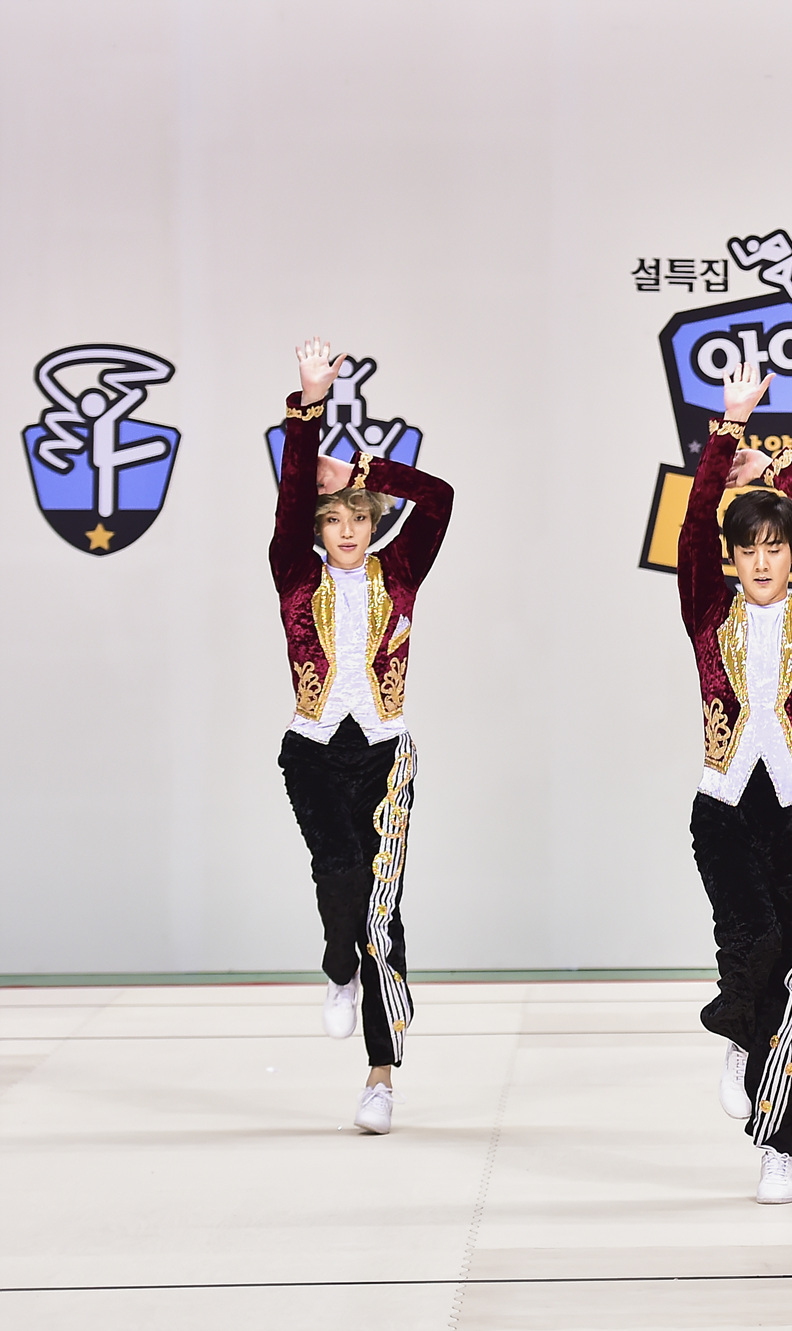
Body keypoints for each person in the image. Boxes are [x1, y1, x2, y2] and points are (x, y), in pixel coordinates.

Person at [679, 360, 792, 1204]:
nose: (761, 560)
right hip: (722, 807)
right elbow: (692, 527)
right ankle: (737, 1025)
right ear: (732, 557)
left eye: (775, 547)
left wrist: (778, 467)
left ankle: (779, 1146)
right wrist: (726, 432)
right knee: (747, 943)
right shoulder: (706, 612)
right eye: (748, 548)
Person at [271, 337, 454, 1135]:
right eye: (333, 518)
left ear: (374, 519)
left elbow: (440, 497)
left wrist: (365, 470)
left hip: (386, 752)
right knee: (338, 874)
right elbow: (289, 501)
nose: (346, 529)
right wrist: (308, 406)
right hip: (312, 750)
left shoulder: (400, 569)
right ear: (316, 526)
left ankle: (381, 1076)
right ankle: (336, 966)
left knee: (383, 912)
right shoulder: (294, 571)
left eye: (358, 517)